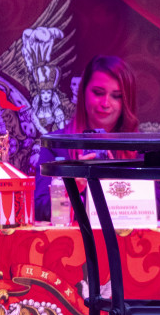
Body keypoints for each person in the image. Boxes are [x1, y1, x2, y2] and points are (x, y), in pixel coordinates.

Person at [33, 55, 139, 220]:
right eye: (98, 93)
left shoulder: (138, 147)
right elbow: (40, 209)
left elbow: (156, 206)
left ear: (127, 100)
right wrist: (72, 190)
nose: (105, 103)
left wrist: (115, 183)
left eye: (116, 96)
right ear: (83, 93)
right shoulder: (56, 145)